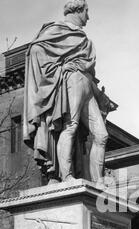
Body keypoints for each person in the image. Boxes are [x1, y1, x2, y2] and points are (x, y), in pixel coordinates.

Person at [23, 0, 117, 184]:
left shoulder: (84, 39)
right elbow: (35, 50)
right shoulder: (56, 30)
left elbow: (90, 74)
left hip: (86, 85)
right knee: (70, 126)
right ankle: (66, 177)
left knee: (102, 135)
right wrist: (58, 70)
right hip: (72, 80)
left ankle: (98, 181)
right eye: (86, 12)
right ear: (78, 10)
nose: (88, 17)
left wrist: (101, 97)